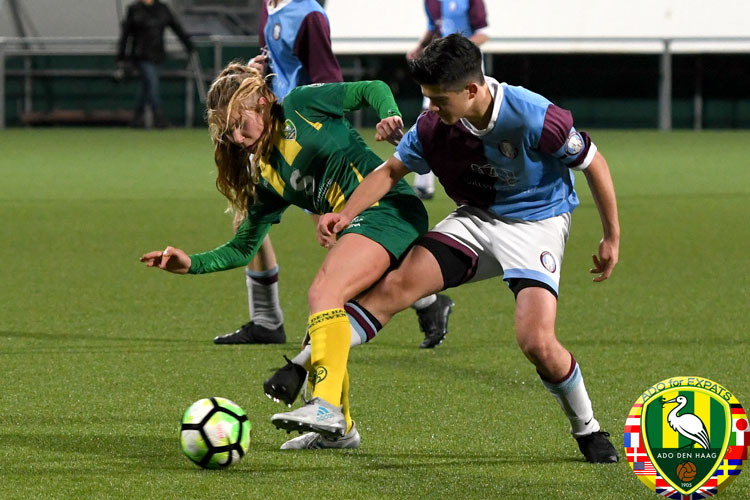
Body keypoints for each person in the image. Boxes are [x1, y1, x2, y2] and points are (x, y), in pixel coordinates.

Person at [287, 34, 621, 463]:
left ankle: (587, 428)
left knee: (536, 340)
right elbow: (390, 172)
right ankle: (307, 370)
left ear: (472, 90)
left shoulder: (534, 115)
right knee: (393, 289)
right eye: (428, 99)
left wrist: (611, 236)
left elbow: (594, 161)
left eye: (440, 100)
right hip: (477, 217)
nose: (432, 109)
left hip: (537, 223)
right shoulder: (433, 125)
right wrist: (347, 213)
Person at [140, 63, 450, 450]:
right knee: (325, 328)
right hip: (360, 225)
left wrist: (388, 113)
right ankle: (341, 432)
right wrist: (191, 264)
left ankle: (323, 407)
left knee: (324, 293)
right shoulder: (268, 175)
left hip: (389, 209)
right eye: (228, 132)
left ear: (264, 101)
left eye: (242, 123)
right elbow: (243, 248)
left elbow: (371, 86)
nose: (238, 137)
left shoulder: (302, 104)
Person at [214, 0, 344, 346]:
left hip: (301, 138)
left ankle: (425, 300)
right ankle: (266, 321)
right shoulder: (268, 8)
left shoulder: (309, 16)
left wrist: (322, 147)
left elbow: (329, 85)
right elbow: (280, 67)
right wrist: (262, 69)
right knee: (247, 216)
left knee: (337, 234)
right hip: (270, 133)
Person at [407, 0, 489, 201]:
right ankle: (423, 184)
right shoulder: (431, 2)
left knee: (474, 124)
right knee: (429, 120)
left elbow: (483, 33)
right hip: (439, 70)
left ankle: (487, 177)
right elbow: (433, 28)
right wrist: (419, 46)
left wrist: (456, 52)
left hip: (465, 70)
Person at [116, 0, 194, 128]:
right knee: (152, 81)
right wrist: (121, 56)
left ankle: (137, 117)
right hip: (140, 55)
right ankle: (158, 116)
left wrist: (188, 44)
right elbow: (126, 34)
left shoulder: (162, 9)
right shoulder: (134, 9)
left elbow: (176, 27)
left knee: (147, 86)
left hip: (157, 54)